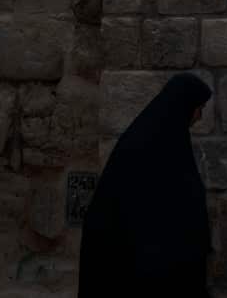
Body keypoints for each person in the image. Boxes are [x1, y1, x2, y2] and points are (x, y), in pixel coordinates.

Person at [79, 73, 213, 298]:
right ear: (184, 105)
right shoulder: (146, 143)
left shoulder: (165, 138)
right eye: (199, 108)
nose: (199, 116)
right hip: (137, 268)